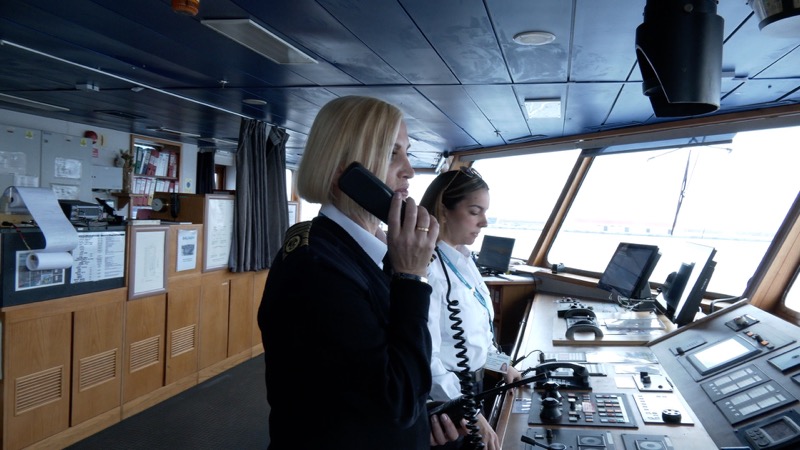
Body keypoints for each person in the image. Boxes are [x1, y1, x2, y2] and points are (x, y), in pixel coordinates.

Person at [258, 95, 459, 449]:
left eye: (407, 152)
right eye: (392, 153)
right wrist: (412, 278)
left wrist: (427, 422)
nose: (410, 170)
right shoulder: (316, 270)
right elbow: (394, 401)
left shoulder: (365, 252)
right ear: (346, 173)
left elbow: (377, 383)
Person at [420, 167, 523, 450]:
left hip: (471, 390)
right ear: (443, 210)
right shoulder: (428, 269)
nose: (484, 222)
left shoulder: (464, 260)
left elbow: (477, 338)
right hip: (446, 401)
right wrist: (471, 413)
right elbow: (427, 359)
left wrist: (503, 365)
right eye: (475, 212)